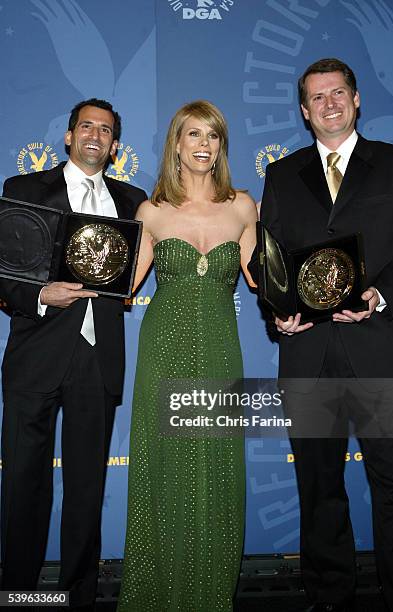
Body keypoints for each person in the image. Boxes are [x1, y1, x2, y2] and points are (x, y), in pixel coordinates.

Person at [249, 58, 393, 612]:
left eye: (338, 93)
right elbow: (270, 261)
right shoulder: (282, 174)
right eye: (318, 97)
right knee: (318, 489)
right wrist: (278, 310)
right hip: (308, 355)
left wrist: (380, 294)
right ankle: (329, 600)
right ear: (303, 111)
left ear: (358, 99)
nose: (330, 104)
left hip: (382, 351)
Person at [0, 99, 147, 610]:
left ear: (114, 145)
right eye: (86, 126)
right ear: (68, 136)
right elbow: (5, 276)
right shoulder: (23, 190)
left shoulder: (134, 201)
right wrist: (42, 295)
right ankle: (18, 594)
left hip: (98, 357)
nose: (95, 136)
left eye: (106, 130)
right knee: (23, 484)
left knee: (87, 489)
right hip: (36, 353)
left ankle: (76, 598)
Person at [117, 100, 257, 612]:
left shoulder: (243, 206)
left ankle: (210, 594)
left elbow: (262, 279)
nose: (203, 145)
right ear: (176, 143)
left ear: (221, 146)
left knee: (216, 468)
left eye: (212, 136)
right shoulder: (152, 211)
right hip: (165, 350)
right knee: (166, 466)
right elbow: (125, 285)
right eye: (193, 134)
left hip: (220, 349)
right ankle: (158, 594)